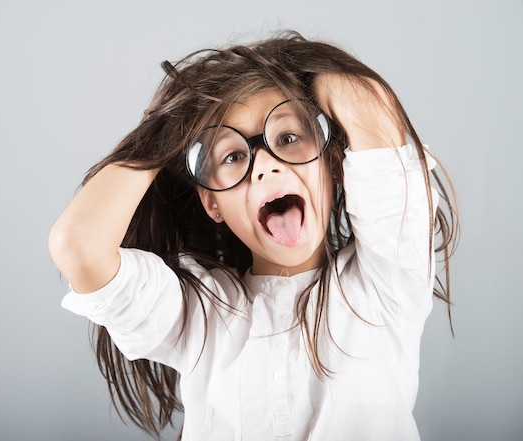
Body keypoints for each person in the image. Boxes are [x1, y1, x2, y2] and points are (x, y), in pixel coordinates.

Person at [48, 30, 458, 440]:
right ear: (212, 202)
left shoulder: (386, 284)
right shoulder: (197, 315)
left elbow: (363, 98)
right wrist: (170, 128)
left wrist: (291, 68)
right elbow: (78, 245)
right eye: (232, 156)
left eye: (289, 138)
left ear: (334, 165)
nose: (264, 166)